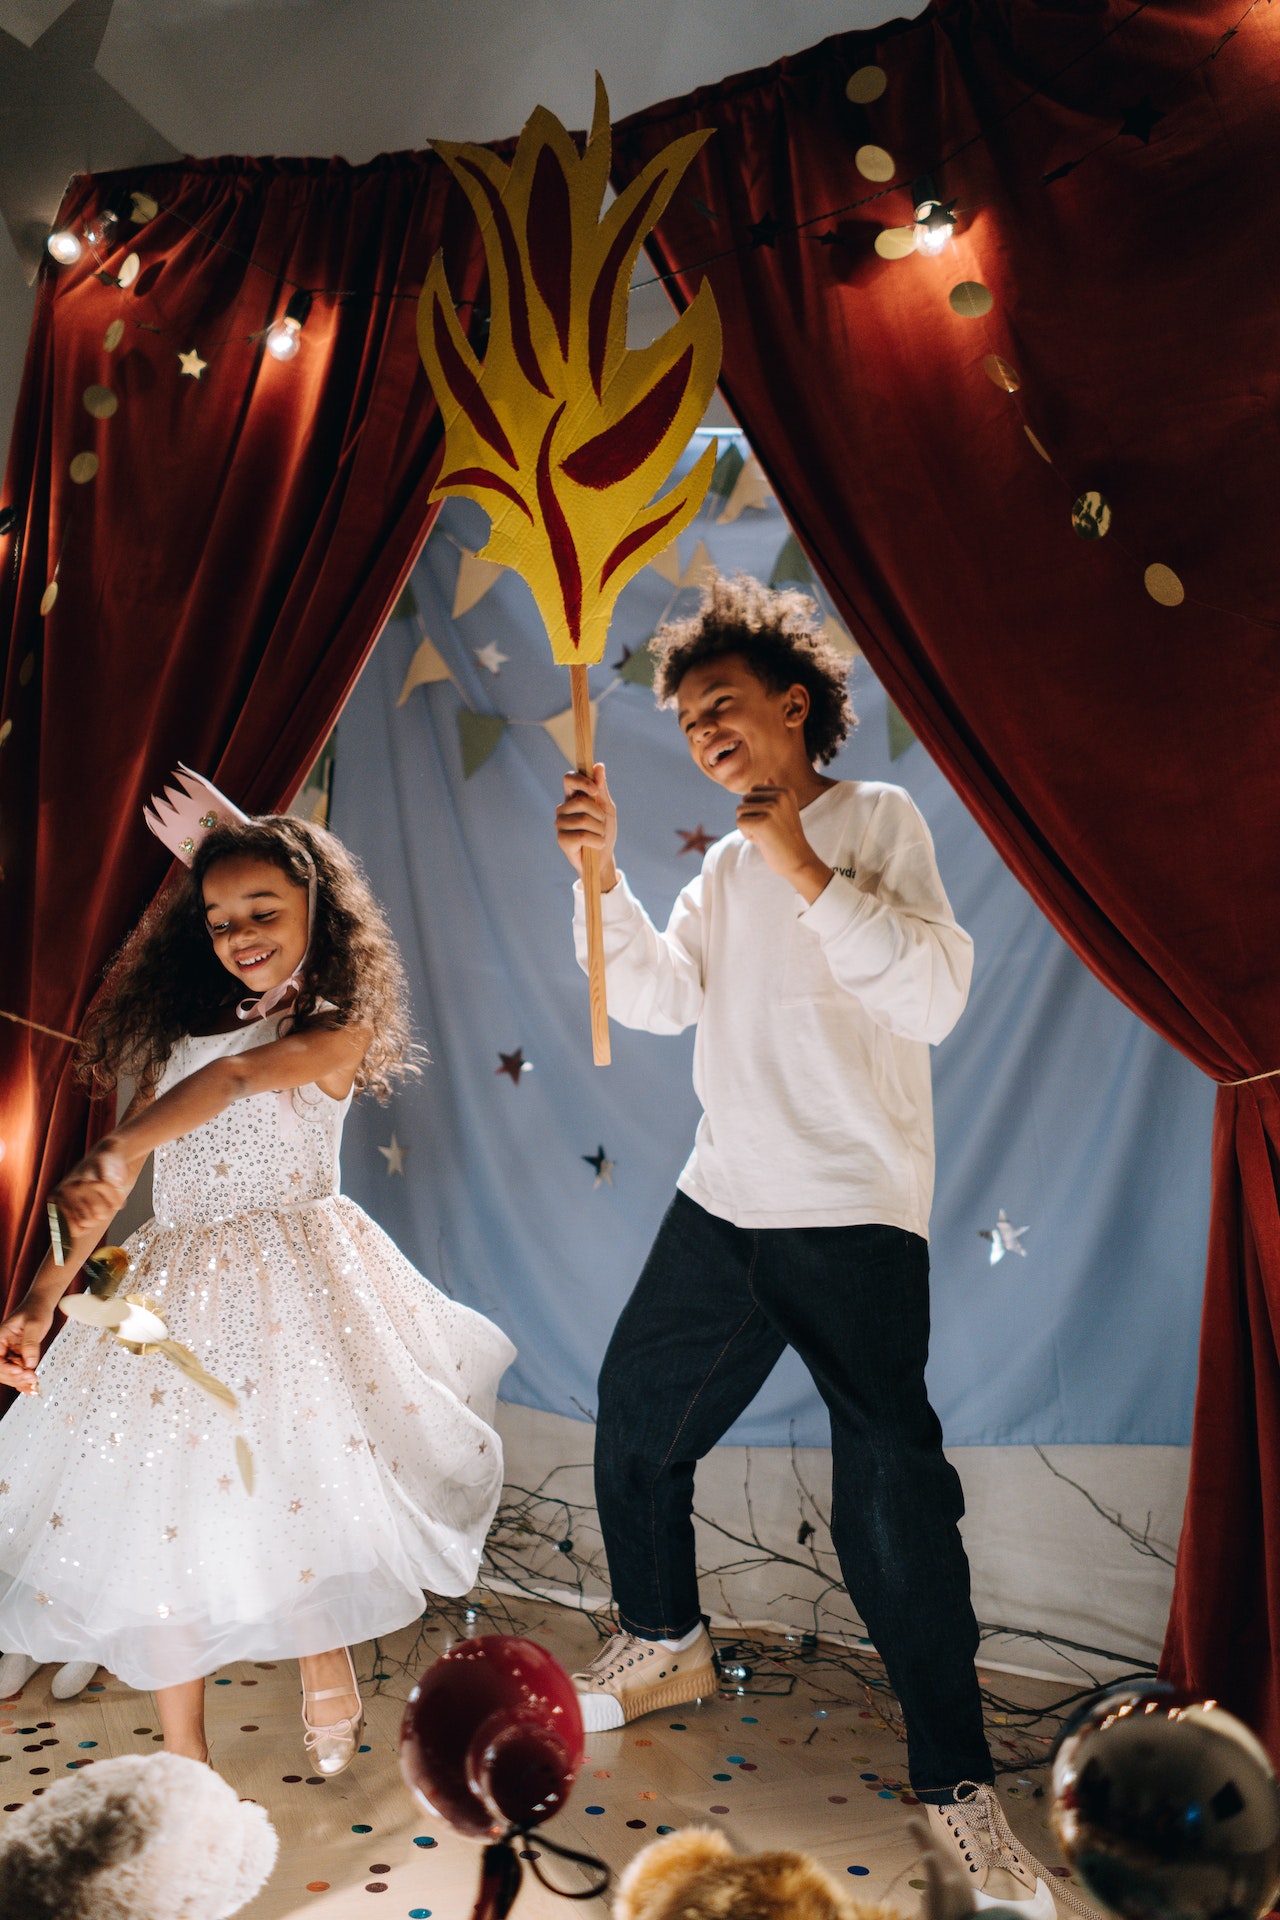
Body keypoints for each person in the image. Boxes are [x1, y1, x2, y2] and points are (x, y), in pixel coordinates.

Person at [554, 575, 1063, 1917]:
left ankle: (958, 1788)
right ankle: (664, 1637)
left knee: (890, 1504)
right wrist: (600, 879)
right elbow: (655, 998)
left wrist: (802, 863)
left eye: (722, 705)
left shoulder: (876, 820)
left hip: (849, 1208)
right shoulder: (721, 867)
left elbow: (932, 994)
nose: (704, 734)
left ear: (794, 705)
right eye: (688, 722)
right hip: (726, 1198)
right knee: (637, 1419)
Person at [0, 773, 514, 1775]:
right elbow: (107, 1183)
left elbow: (236, 1079)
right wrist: (36, 1304)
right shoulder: (177, 1040)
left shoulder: (333, 1031)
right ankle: (184, 1759)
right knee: (161, 1511)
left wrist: (123, 1144)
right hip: (173, 1287)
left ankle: (325, 1655)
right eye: (218, 917)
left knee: (293, 1477)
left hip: (290, 1287)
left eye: (263, 911)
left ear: (318, 911)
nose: (238, 933)